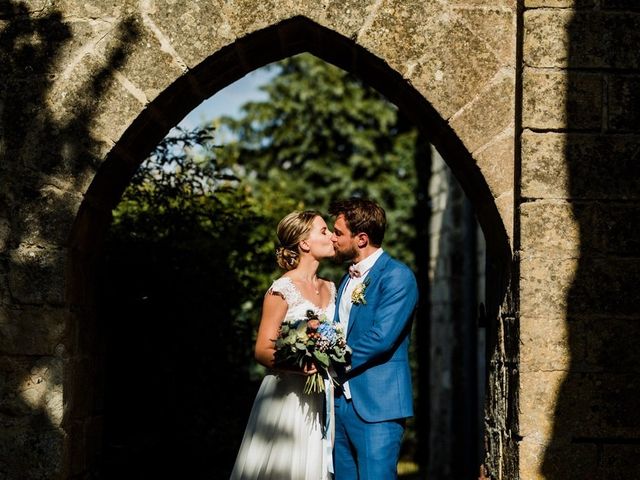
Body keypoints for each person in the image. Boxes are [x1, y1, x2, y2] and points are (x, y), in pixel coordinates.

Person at [230, 210, 336, 480]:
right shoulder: (281, 289)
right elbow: (263, 350)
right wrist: (303, 364)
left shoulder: (333, 287)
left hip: (323, 398)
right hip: (287, 398)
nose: (332, 236)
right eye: (323, 231)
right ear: (304, 244)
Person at [329, 198, 418, 480]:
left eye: (338, 233)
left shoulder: (397, 277)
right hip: (340, 404)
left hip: (378, 407)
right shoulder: (346, 279)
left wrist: (329, 364)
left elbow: (381, 338)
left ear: (362, 238)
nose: (333, 238)